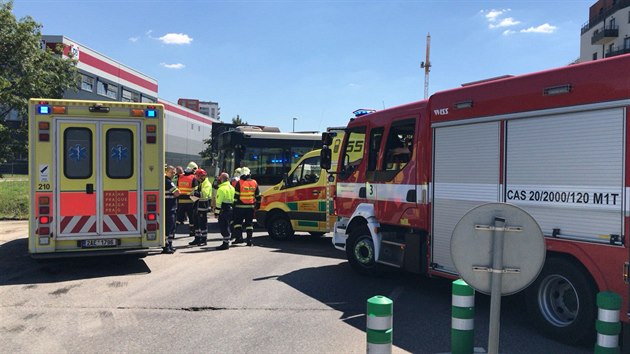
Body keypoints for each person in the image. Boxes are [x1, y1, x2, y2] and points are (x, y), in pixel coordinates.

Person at [232, 167, 260, 246]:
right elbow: (258, 195)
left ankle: (239, 238)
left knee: (237, 223)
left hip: (239, 207)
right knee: (249, 224)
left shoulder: (239, 182)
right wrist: (258, 204)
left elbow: (236, 196)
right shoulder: (254, 182)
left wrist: (233, 206)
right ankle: (249, 240)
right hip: (250, 207)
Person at [190, 168, 212, 246]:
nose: (196, 177)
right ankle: (197, 238)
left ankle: (203, 239)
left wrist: (195, 193)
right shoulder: (200, 183)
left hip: (203, 206)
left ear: (201, 176)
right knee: (196, 222)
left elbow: (204, 194)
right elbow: (194, 192)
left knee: (202, 223)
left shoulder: (207, 184)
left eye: (197, 176)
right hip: (197, 205)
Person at [214, 172, 235, 250]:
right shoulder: (232, 187)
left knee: (224, 226)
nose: (218, 180)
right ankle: (227, 241)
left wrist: (216, 213)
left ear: (222, 179)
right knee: (228, 225)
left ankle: (225, 243)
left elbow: (218, 203)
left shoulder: (221, 189)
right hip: (231, 208)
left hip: (224, 209)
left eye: (219, 178)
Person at [163, 165, 180, 254]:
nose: (173, 174)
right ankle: (166, 246)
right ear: (166, 172)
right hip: (169, 207)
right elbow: (177, 193)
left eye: (174, 172)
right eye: (171, 172)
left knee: (171, 227)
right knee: (169, 227)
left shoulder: (167, 181)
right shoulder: (168, 182)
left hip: (170, 207)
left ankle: (169, 245)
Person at [179, 162, 199, 238]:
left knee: (178, 218)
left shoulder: (180, 177)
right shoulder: (193, 178)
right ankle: (191, 231)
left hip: (180, 201)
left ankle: (172, 232)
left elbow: (177, 188)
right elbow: (195, 192)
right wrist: (196, 201)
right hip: (190, 201)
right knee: (191, 217)